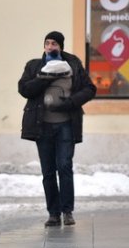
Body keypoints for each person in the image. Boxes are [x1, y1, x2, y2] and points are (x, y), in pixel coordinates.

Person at [18, 31, 96, 227]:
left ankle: (67, 211)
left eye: (54, 43)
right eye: (47, 43)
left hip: (66, 125)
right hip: (41, 126)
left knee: (64, 166)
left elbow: (89, 89)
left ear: (61, 46)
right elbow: (24, 89)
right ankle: (53, 213)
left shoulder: (73, 64)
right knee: (48, 171)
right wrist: (45, 77)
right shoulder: (35, 65)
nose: (50, 46)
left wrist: (70, 102)